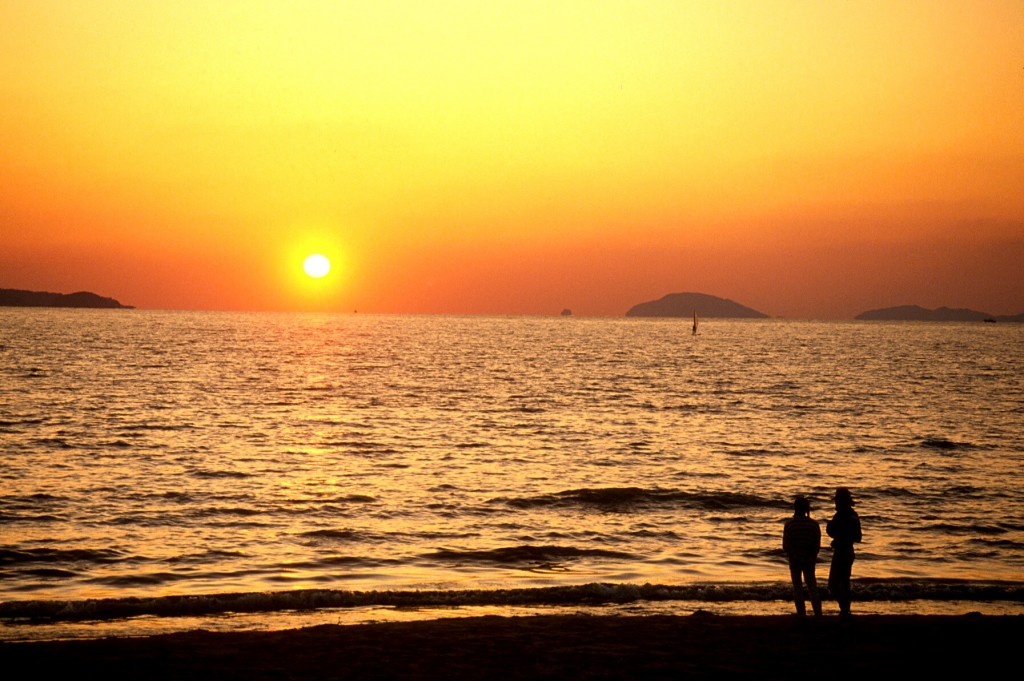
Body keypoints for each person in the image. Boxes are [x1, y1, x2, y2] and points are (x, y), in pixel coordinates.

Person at [782, 495, 822, 616]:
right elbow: (816, 545)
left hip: (795, 560)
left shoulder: (789, 524)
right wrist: (810, 556)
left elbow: (786, 545)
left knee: (797, 587)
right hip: (809, 559)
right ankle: (818, 613)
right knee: (812, 586)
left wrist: (794, 556)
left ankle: (801, 613)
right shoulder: (814, 525)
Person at [826, 487, 862, 616]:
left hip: (842, 551)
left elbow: (834, 532)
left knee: (834, 583)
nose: (835, 504)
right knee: (844, 582)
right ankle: (844, 608)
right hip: (847, 550)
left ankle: (844, 607)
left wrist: (831, 528)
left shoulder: (842, 515)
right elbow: (858, 537)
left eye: (837, 501)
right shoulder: (852, 515)